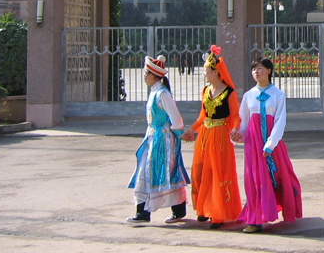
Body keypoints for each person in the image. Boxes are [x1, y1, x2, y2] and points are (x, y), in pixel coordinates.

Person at [232, 58, 303, 234]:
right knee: (254, 179)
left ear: (269, 71)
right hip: (252, 144)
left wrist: (270, 144)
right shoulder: (249, 95)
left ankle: (280, 208)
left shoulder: (277, 94)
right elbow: (243, 121)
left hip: (272, 144)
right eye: (254, 69)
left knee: (280, 176)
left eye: (260, 68)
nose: (256, 72)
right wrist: (237, 134)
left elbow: (280, 121)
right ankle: (255, 219)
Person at [181, 45, 242, 229]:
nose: (204, 73)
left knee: (217, 173)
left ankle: (218, 213)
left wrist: (236, 129)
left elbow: (236, 116)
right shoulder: (205, 91)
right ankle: (203, 209)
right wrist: (193, 129)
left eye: (206, 70)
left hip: (221, 136)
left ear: (215, 72)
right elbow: (203, 115)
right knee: (200, 172)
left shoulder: (229, 93)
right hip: (205, 136)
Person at [127, 55, 190, 224]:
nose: (144, 75)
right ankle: (143, 211)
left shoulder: (162, 94)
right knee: (146, 173)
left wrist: (176, 135)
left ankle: (176, 209)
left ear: (154, 75)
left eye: (146, 72)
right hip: (152, 140)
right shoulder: (155, 92)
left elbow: (176, 120)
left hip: (163, 141)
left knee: (166, 173)